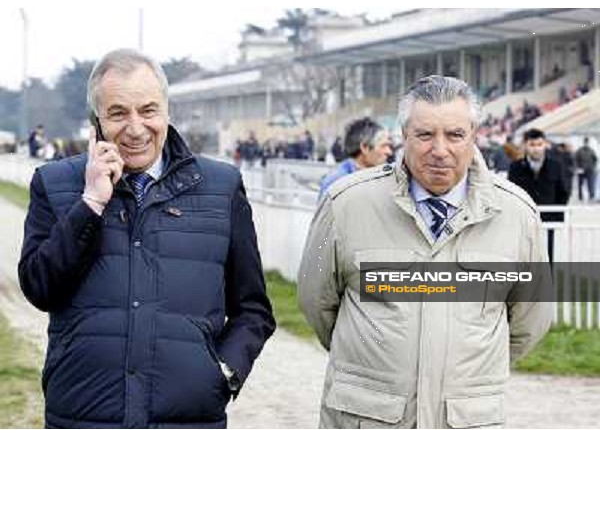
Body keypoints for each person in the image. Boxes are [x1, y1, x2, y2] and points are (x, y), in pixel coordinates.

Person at [18, 48, 275, 429]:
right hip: (82, 416)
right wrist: (90, 203)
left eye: (148, 111)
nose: (136, 128)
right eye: (118, 113)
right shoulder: (54, 184)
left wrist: (224, 372)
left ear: (167, 112)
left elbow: (253, 308)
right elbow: (41, 290)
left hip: (188, 420)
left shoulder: (222, 187)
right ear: (97, 121)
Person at [298, 75, 552, 429]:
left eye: (454, 135)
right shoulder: (344, 203)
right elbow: (314, 297)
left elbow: (531, 317)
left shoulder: (517, 213)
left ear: (474, 136)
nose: (440, 149)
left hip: (466, 422)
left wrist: (469, 373)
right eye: (425, 134)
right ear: (404, 136)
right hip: (366, 419)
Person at [508, 128, 569, 264]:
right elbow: (511, 194)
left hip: (548, 220)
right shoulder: (515, 167)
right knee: (523, 259)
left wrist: (556, 216)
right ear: (525, 145)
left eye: (539, 144)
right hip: (523, 221)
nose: (536, 149)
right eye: (532, 145)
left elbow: (563, 191)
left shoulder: (556, 166)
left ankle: (547, 284)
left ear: (545, 144)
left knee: (547, 258)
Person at [318, 117, 392, 198]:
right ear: (365, 148)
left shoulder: (385, 178)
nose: (389, 152)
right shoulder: (336, 184)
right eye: (384, 146)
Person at [574, 137, 597, 202]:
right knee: (580, 184)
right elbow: (575, 159)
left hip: (590, 170)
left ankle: (591, 196)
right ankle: (580, 197)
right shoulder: (579, 151)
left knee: (591, 184)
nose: (586, 143)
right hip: (581, 170)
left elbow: (595, 159)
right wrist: (578, 167)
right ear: (584, 142)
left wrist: (593, 166)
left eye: (587, 142)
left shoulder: (591, 151)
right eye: (585, 142)